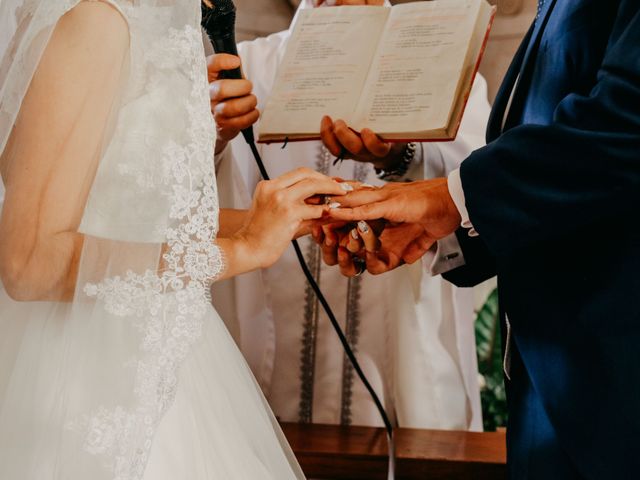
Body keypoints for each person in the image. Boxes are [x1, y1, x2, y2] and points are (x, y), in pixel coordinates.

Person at [0, 0, 347, 478]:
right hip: (87, 378)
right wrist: (242, 249)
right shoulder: (92, 19)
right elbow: (29, 264)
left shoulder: (156, 17)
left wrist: (274, 220)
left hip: (165, 363)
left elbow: (133, 218)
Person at [324, 0, 640, 478]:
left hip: (615, 378)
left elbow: (627, 123)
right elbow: (554, 149)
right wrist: (443, 226)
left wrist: (450, 199)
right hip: (553, 384)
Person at [209, 0, 491, 429]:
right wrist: (213, 138)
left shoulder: (445, 60)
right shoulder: (245, 67)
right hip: (267, 343)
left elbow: (480, 187)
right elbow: (181, 201)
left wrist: (401, 155)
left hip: (400, 350)